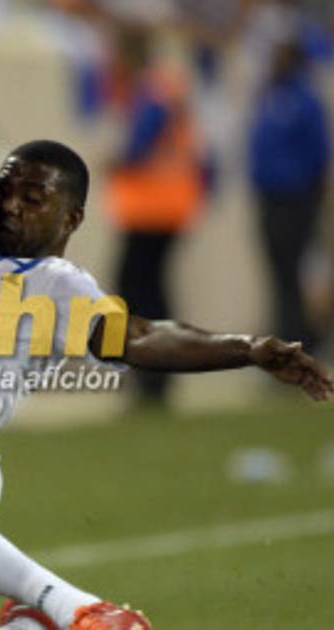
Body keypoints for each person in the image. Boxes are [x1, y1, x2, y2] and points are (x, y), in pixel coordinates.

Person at [0, 140, 334, 630]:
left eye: (33, 198)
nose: (11, 207)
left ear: (71, 218)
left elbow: (140, 336)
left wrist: (246, 348)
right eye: (5, 192)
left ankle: (76, 609)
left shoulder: (55, 283)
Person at [105, 25, 207, 408]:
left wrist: (116, 160)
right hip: (170, 204)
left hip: (152, 206)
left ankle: (153, 374)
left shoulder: (151, 92)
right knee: (151, 287)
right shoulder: (165, 87)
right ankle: (158, 373)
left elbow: (139, 144)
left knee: (138, 289)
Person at [249, 40, 331, 350]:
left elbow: (319, 151)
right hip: (268, 196)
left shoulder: (306, 100)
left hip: (295, 197)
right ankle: (285, 334)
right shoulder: (268, 96)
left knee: (292, 269)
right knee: (277, 272)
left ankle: (297, 338)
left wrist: (312, 195)